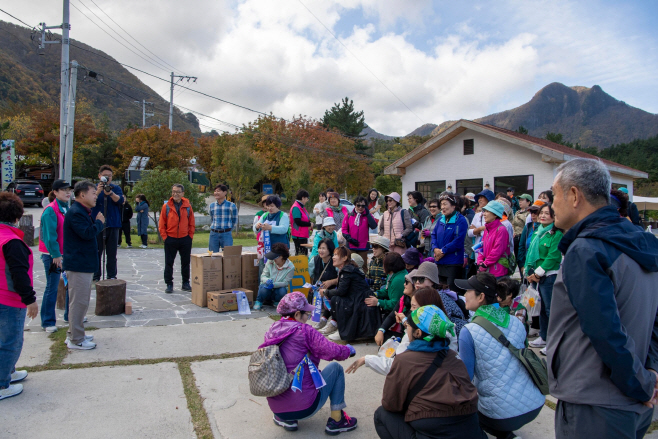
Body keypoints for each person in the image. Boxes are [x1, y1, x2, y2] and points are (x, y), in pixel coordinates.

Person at [547, 158, 658, 439]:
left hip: (594, 403)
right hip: (634, 403)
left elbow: (604, 330)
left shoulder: (587, 250)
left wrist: (641, 384)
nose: (551, 204)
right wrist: (651, 372)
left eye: (555, 195)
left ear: (574, 195)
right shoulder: (640, 241)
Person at [373, 305, 483, 439]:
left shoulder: (404, 360)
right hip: (469, 429)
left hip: (431, 431)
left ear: (418, 333)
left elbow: (390, 403)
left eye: (408, 325)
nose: (406, 328)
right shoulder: (454, 357)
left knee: (381, 414)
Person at [456, 273, 545, 439]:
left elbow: (464, 380)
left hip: (498, 417)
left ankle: (505, 435)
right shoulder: (516, 321)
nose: (464, 295)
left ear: (481, 296)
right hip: (533, 403)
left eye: (468, 291)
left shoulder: (469, 331)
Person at [259, 291, 358, 434]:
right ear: (297, 314)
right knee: (335, 368)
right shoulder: (304, 331)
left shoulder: (272, 330)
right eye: (307, 314)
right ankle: (337, 420)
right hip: (305, 407)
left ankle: (287, 419)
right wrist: (348, 350)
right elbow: (331, 351)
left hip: (277, 408)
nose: (308, 318)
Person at [348, 284, 451, 375]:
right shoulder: (449, 332)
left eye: (414, 307)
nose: (411, 310)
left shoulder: (414, 342)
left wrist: (366, 359)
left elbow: (395, 366)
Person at [0, 192, 39, 400]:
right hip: (8, 299)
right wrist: (30, 300)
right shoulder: (12, 242)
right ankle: (1, 384)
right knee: (10, 342)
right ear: (17, 216)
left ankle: (9, 371)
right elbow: (19, 274)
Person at [64, 181, 105, 350]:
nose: (96, 196)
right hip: (78, 264)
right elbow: (87, 233)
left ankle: (75, 332)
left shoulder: (82, 211)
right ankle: (76, 339)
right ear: (82, 195)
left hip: (83, 264)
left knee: (81, 302)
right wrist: (99, 223)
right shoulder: (76, 213)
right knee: (78, 302)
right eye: (93, 193)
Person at [524, 203, 563, 355]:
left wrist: (538, 274)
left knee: (550, 310)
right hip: (536, 277)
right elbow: (530, 253)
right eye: (542, 213)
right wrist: (528, 270)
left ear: (554, 216)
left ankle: (554, 341)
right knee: (541, 310)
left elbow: (553, 257)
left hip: (549, 276)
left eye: (547, 213)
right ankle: (544, 336)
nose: (542, 215)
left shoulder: (556, 234)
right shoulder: (538, 231)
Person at [320, 246, 381, 341]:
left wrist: (325, 292)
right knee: (336, 298)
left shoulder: (347, 271)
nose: (333, 257)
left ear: (344, 258)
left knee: (337, 300)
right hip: (357, 298)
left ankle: (342, 330)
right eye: (333, 254)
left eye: (336, 255)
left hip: (360, 300)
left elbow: (341, 291)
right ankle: (338, 327)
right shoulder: (346, 269)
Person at [38, 179, 72, 333]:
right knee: (52, 287)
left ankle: (69, 315)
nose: (68, 192)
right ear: (55, 192)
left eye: (69, 189)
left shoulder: (65, 208)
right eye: (64, 190)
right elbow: (49, 236)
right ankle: (47, 321)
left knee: (69, 285)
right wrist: (56, 254)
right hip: (52, 256)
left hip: (65, 254)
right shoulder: (50, 210)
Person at [411, 261, 467, 336]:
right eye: (415, 279)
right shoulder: (423, 296)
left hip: (458, 333)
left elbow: (442, 321)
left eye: (421, 279)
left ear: (432, 281)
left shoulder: (440, 296)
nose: (417, 282)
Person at [159, 184, 195, 294]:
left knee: (185, 262)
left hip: (185, 239)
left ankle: (185, 283)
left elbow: (191, 223)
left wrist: (190, 236)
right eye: (174, 191)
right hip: (171, 239)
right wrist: (165, 237)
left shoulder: (188, 206)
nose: (175, 194)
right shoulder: (167, 206)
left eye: (178, 192)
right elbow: (162, 223)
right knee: (169, 262)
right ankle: (169, 284)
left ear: (183, 193)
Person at [91, 165, 125, 281]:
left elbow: (120, 201)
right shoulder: (93, 189)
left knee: (111, 254)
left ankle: (111, 276)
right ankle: (96, 276)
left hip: (113, 224)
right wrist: (99, 190)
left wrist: (110, 193)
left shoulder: (116, 188)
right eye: (105, 176)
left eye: (110, 176)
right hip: (97, 225)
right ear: (99, 176)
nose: (107, 178)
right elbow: (89, 201)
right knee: (96, 252)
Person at [431, 192, 468, 293]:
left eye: (445, 204)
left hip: (453, 262)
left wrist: (442, 251)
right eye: (441, 204)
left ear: (454, 205)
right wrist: (435, 248)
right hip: (439, 261)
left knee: (451, 291)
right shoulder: (440, 220)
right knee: (439, 291)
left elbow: (458, 240)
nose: (442, 207)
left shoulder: (461, 220)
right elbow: (433, 235)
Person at [253, 243, 295, 310]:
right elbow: (263, 275)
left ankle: (277, 301)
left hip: (278, 289)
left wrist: (274, 285)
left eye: (275, 257)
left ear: (281, 256)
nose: (273, 259)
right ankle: (259, 301)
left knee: (282, 291)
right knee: (263, 288)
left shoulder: (290, 267)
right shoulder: (270, 261)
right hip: (267, 287)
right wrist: (267, 280)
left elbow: (286, 282)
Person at [342, 196, 377, 272]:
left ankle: (363, 282)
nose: (360, 207)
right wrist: (349, 239)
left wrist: (368, 214)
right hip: (351, 245)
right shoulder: (349, 215)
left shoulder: (368, 215)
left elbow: (374, 226)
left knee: (363, 267)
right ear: (355, 205)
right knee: (350, 265)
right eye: (358, 205)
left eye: (363, 206)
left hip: (363, 246)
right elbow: (344, 230)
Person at [477, 201, 511, 278]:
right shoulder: (487, 229)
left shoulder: (501, 229)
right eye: (484, 211)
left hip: (498, 272)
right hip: (487, 270)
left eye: (487, 211)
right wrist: (480, 260)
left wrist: (485, 264)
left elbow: (497, 251)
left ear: (495, 214)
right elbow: (481, 246)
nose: (484, 214)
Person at [310, 238, 338, 330]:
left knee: (333, 298)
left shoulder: (335, 260)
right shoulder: (315, 260)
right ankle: (322, 319)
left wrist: (331, 282)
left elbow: (343, 278)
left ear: (330, 250)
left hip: (333, 288)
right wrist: (312, 285)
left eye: (324, 248)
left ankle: (327, 319)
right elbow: (311, 274)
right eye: (319, 248)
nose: (320, 251)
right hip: (318, 289)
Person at [517, 200, 543, 277]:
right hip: (527, 264)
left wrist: (538, 223)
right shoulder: (528, 227)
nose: (533, 215)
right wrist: (521, 265)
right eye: (531, 212)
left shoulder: (545, 228)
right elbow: (521, 246)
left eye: (536, 212)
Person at [208, 184, 238, 252]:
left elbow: (234, 220)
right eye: (215, 191)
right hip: (214, 233)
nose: (216, 193)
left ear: (225, 192)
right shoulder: (212, 205)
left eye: (218, 191)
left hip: (226, 234)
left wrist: (228, 230)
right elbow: (212, 218)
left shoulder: (231, 205)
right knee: (213, 256)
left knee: (227, 255)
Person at [289, 189, 312, 256]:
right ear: (303, 198)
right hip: (298, 235)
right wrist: (309, 224)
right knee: (300, 254)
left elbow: (306, 218)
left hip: (303, 234)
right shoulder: (296, 207)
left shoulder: (301, 207)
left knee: (304, 254)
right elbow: (298, 221)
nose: (307, 201)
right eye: (307, 199)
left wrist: (310, 223)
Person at [511, 193, 532, 258]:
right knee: (517, 256)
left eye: (522, 200)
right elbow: (513, 223)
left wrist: (521, 216)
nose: (520, 202)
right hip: (516, 237)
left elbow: (528, 223)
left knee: (522, 256)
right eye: (519, 200)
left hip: (523, 237)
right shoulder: (517, 212)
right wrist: (513, 232)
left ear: (528, 202)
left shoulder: (530, 212)